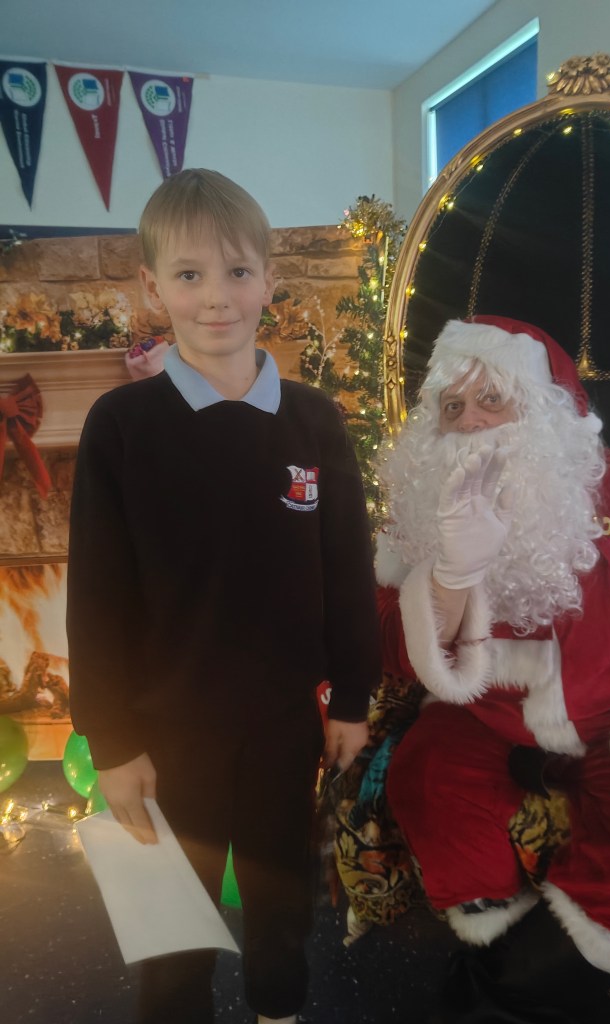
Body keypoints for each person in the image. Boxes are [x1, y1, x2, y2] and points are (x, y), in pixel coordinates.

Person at [66, 168, 380, 1024]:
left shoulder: (315, 422)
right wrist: (112, 741)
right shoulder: (122, 427)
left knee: (283, 909)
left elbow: (348, 567)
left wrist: (354, 698)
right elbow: (97, 597)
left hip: (285, 726)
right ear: (152, 286)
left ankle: (280, 1010)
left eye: (238, 272)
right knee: (174, 927)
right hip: (165, 737)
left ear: (269, 280)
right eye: (190, 274)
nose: (217, 297)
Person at [374, 315, 610, 1022]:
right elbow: (390, 645)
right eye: (453, 405)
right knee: (425, 780)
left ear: (542, 413)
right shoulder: (415, 511)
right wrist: (451, 572)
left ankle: (520, 978)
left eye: (493, 399)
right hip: (481, 715)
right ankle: (500, 943)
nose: (470, 421)